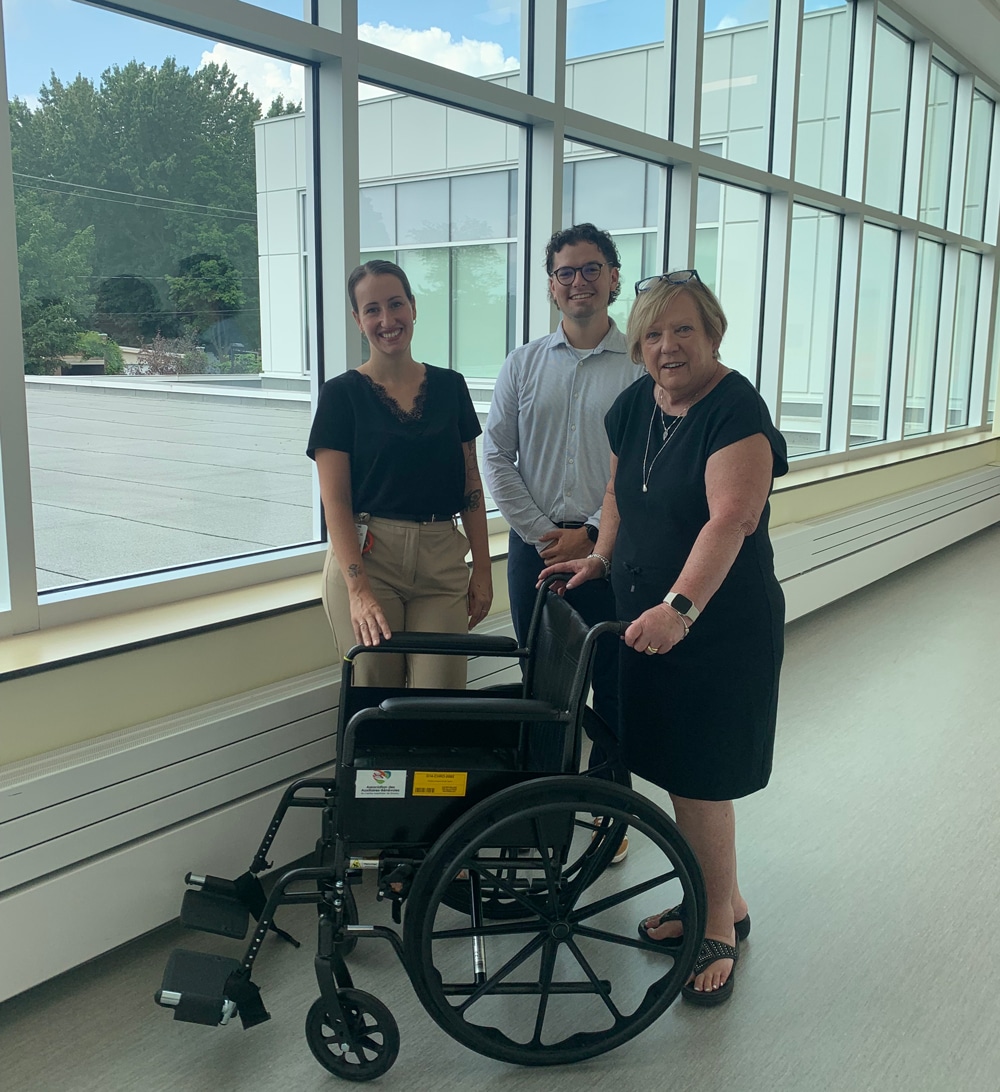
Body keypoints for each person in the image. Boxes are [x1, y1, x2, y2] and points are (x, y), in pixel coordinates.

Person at [540, 269, 787, 1005]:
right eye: (653, 332)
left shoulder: (734, 410)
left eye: (684, 330)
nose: (668, 346)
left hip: (715, 625)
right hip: (645, 620)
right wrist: (601, 557)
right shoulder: (633, 408)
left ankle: (717, 924)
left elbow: (731, 519)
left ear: (712, 333)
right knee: (677, 766)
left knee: (701, 774)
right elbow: (618, 495)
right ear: (638, 343)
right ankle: (722, 899)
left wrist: (680, 607)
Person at [483, 224, 641, 844]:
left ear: (614, 278)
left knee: (614, 685)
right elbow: (496, 455)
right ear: (551, 286)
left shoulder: (638, 368)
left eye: (591, 269)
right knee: (543, 682)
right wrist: (547, 534)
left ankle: (611, 815)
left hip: (616, 555)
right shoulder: (522, 365)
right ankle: (542, 813)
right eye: (566, 272)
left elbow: (645, 464)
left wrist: (596, 533)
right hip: (538, 555)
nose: (579, 281)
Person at [307, 259, 493, 688]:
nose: (387, 320)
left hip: (441, 561)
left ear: (413, 307)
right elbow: (335, 502)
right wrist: (358, 591)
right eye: (372, 309)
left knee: (439, 701)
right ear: (358, 320)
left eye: (396, 304)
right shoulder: (340, 396)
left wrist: (482, 571)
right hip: (370, 560)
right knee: (376, 699)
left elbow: (471, 486)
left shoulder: (451, 387)